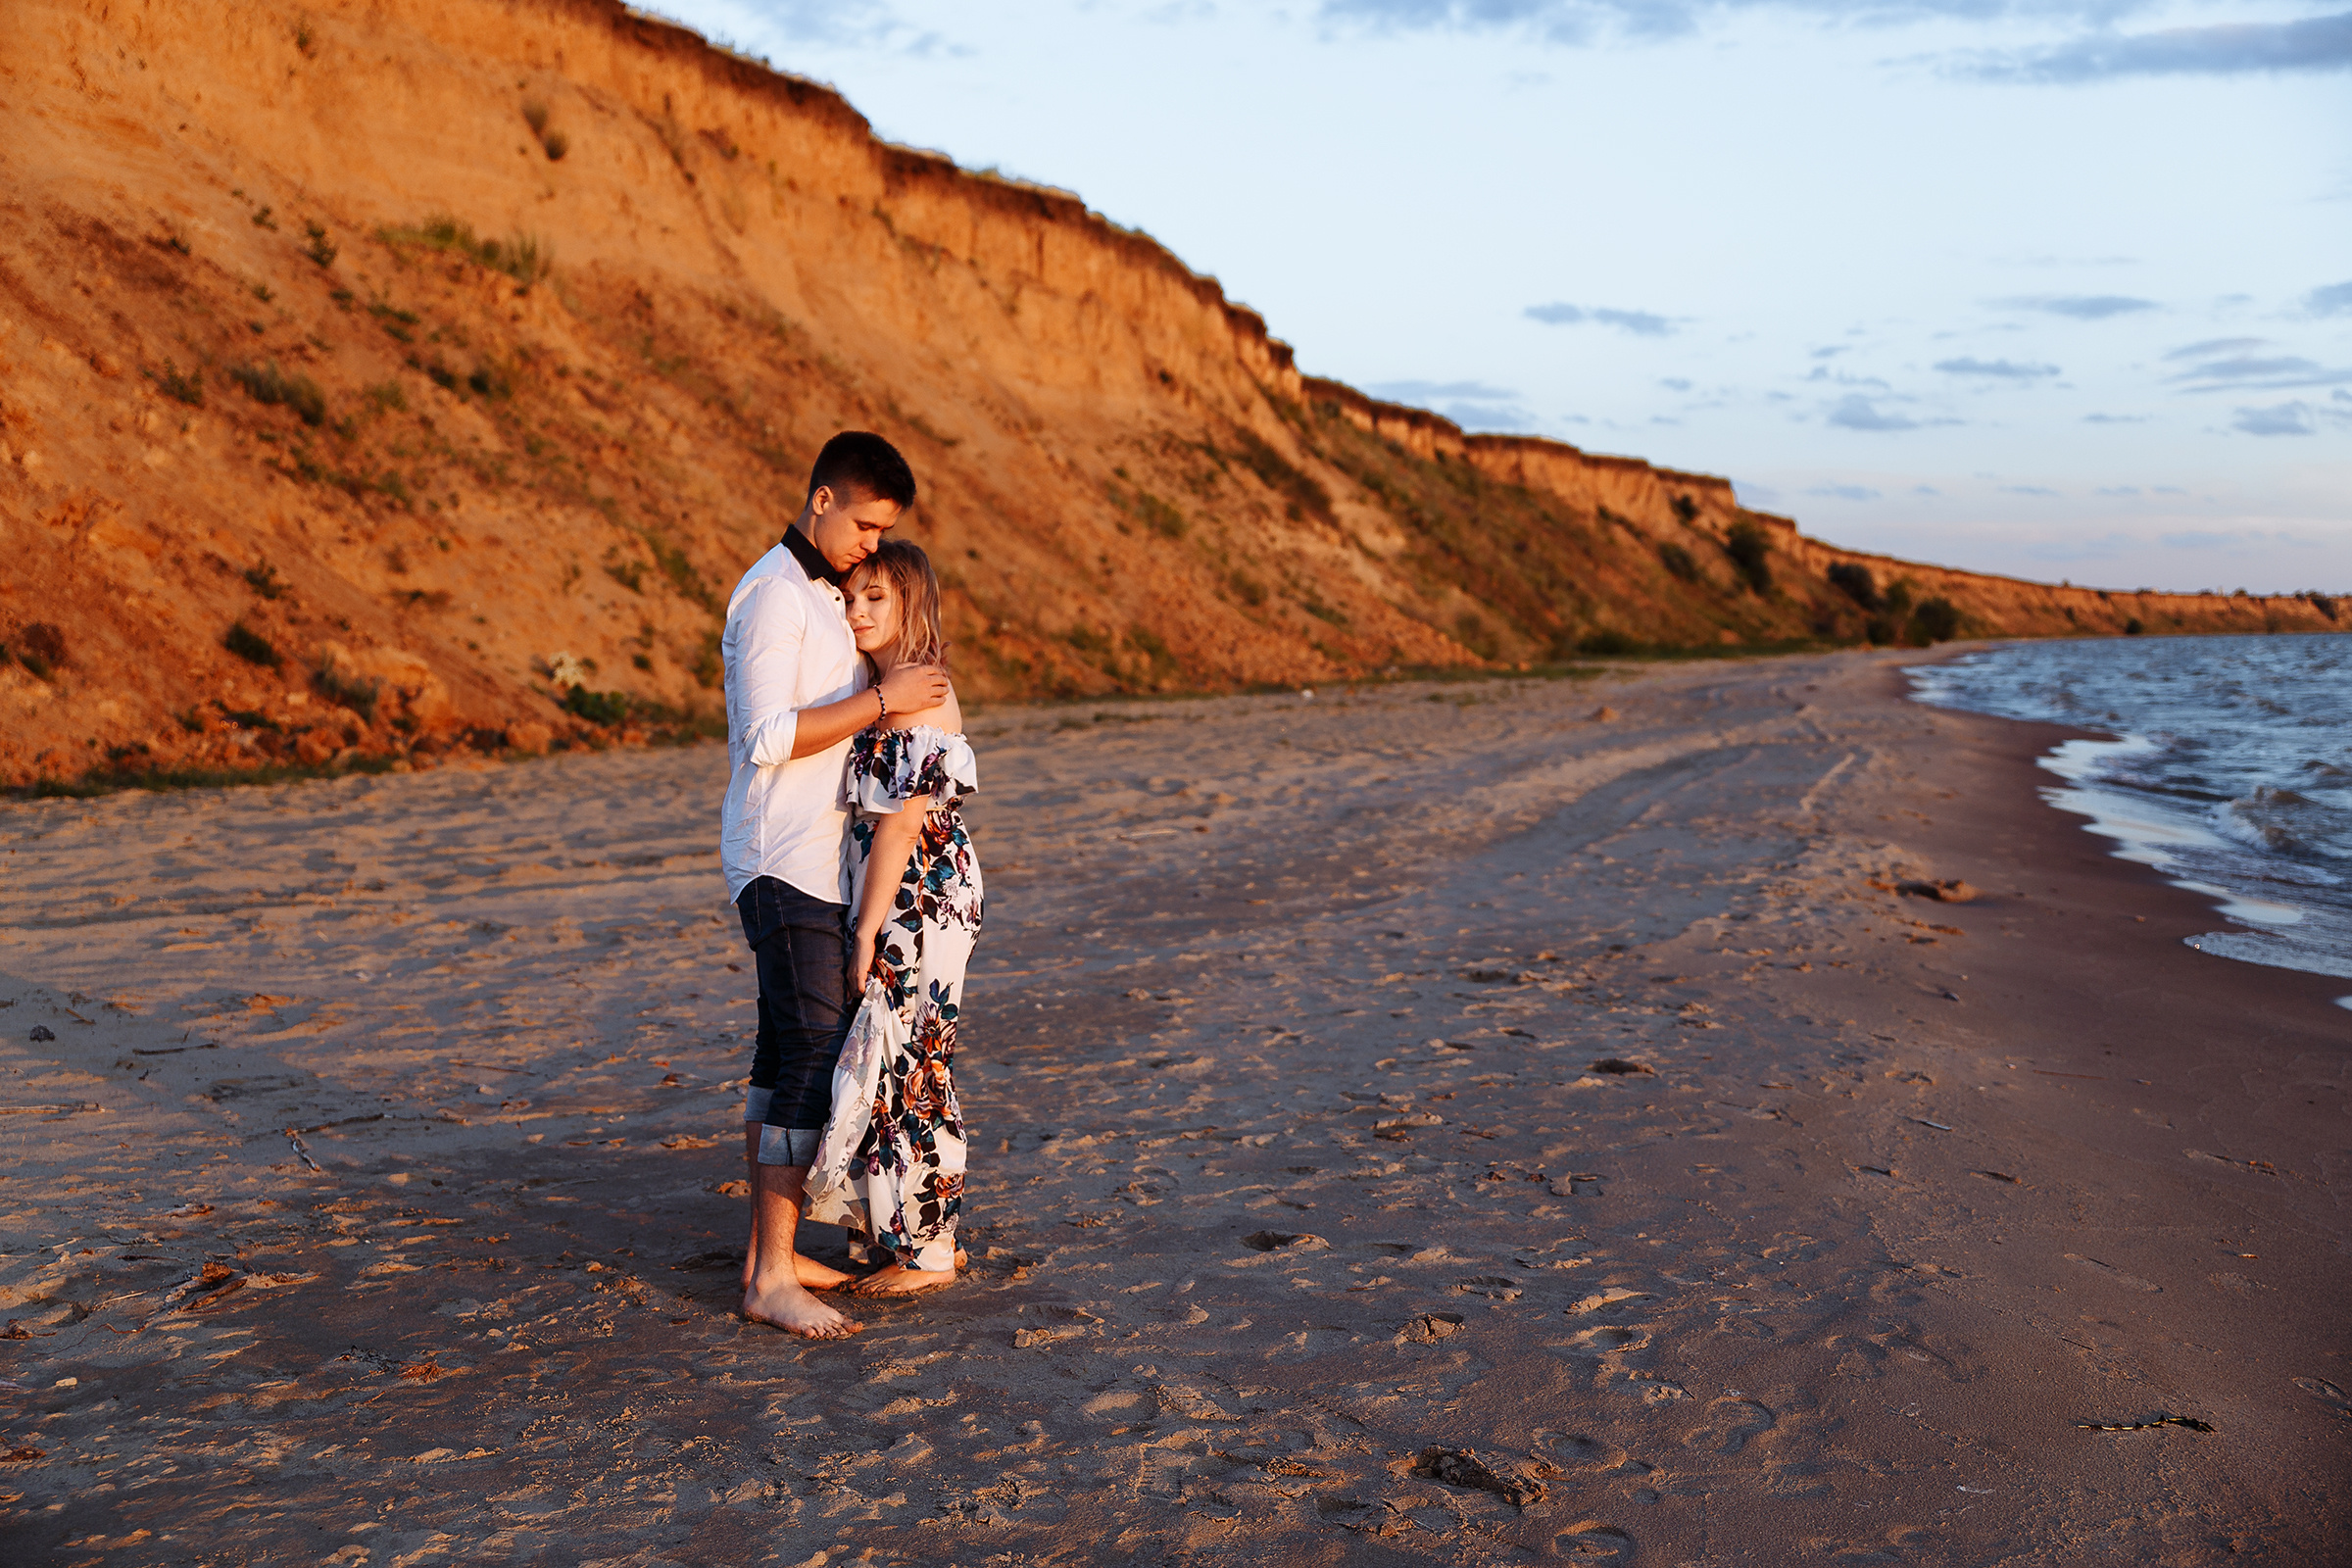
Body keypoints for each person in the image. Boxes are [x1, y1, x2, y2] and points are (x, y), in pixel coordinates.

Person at [721, 431, 947, 1340]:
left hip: (821, 863)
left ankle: (763, 1259)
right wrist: (885, 702)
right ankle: (773, 1277)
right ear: (822, 499)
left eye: (883, 531)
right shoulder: (774, 593)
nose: (869, 544)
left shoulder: (826, 595)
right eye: (863, 525)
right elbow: (768, 738)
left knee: (782, 1054)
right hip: (782, 858)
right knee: (813, 1055)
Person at [800, 540, 983, 1297]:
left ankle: (931, 1253)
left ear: (912, 602)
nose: (857, 611)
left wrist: (865, 931)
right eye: (849, 597)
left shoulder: (918, 690)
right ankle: (905, 1236)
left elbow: (902, 825)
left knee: (913, 1061)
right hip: (902, 888)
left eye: (876, 597)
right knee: (884, 1056)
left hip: (918, 892)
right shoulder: (884, 689)